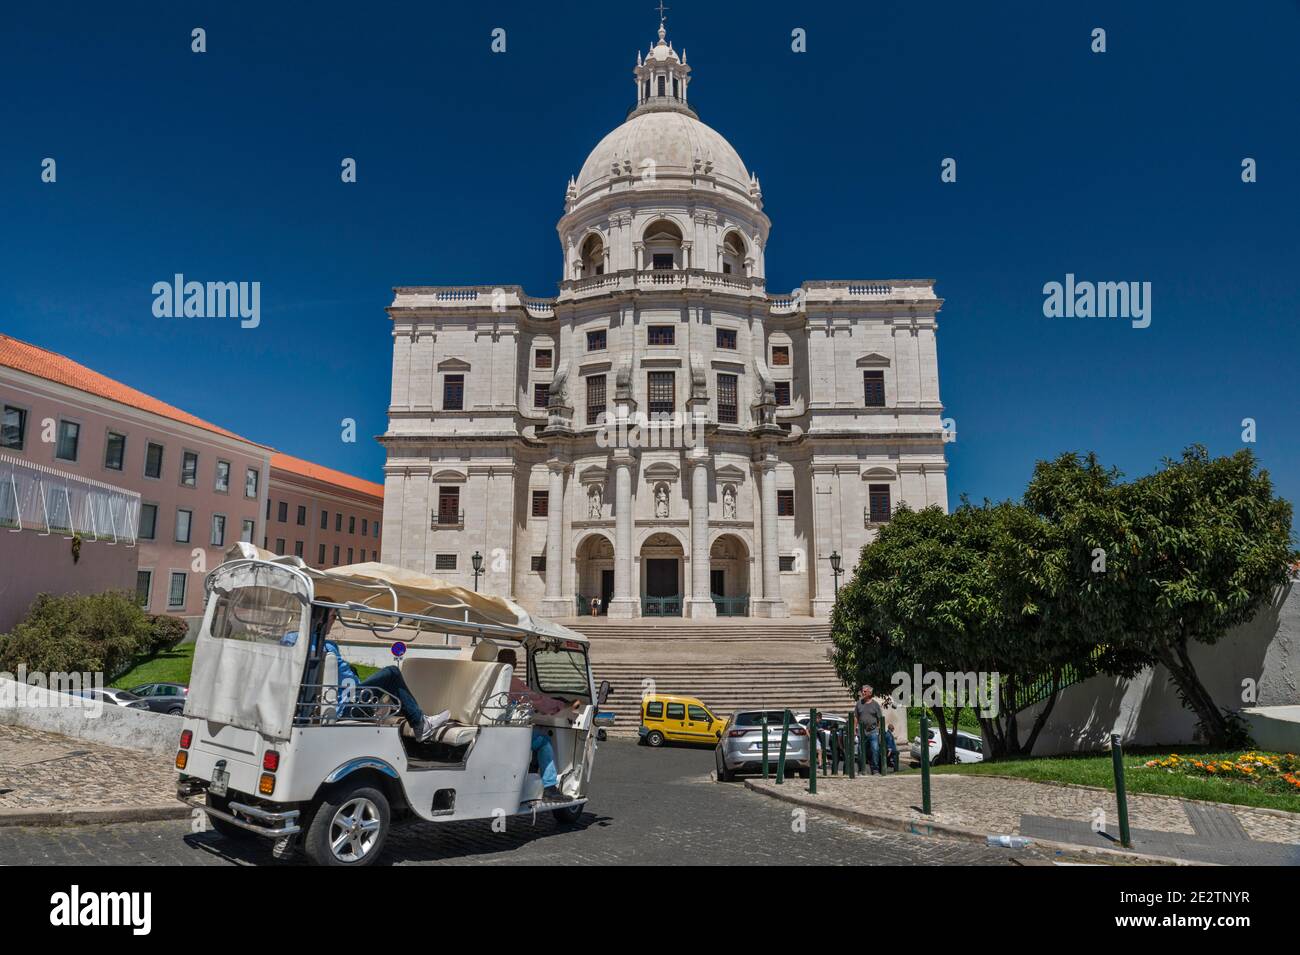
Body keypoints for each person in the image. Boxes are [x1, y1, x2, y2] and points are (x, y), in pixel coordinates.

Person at [283, 611, 449, 742]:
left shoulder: (295, 640)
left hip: (349, 700)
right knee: (392, 673)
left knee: (362, 676)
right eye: (334, 616)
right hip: (350, 707)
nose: (335, 621)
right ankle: (421, 724)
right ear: (321, 618)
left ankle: (397, 709)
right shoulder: (323, 646)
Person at [497, 649, 581, 800]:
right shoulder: (512, 681)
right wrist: (563, 704)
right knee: (543, 742)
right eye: (514, 659)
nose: (516, 662)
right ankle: (549, 786)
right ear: (512, 663)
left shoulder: (491, 678)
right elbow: (538, 701)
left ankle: (531, 773)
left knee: (536, 733)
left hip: (494, 729)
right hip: (508, 732)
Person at [854, 684, 898, 774]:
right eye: (862, 691)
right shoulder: (859, 704)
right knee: (860, 750)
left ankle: (875, 769)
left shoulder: (875, 705)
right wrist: (855, 730)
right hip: (862, 731)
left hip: (873, 731)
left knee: (875, 749)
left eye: (865, 691)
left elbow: (879, 719)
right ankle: (861, 769)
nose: (863, 692)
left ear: (870, 693)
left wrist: (878, 730)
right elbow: (856, 718)